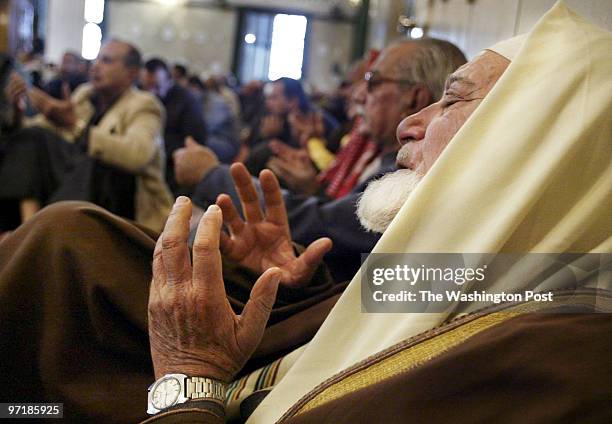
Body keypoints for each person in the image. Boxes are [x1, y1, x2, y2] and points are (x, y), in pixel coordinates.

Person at [0, 4, 610, 422]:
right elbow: (364, 337)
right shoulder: (505, 273)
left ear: (539, 141)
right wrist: (297, 283)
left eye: (450, 99)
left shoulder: (565, 358)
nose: (406, 124)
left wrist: (188, 381)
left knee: (64, 252)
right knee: (68, 244)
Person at [174, 38, 466, 282]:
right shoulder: (380, 153)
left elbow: (328, 226)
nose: (359, 94)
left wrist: (211, 174)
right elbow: (342, 221)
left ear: (414, 98)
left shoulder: (415, 173)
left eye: (372, 81)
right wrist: (311, 188)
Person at [0, 39, 172, 231]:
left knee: (91, 162)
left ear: (131, 73)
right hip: (81, 189)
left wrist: (76, 125)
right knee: (30, 138)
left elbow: (137, 155)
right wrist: (18, 107)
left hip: (124, 205)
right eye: (97, 59)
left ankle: (39, 233)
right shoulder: (86, 95)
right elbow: (37, 128)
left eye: (106, 61)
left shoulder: (145, 105)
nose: (96, 66)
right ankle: (27, 227)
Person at [141, 58, 207, 195]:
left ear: (168, 80)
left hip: (174, 164)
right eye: (148, 87)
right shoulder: (145, 97)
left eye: (156, 86)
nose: (151, 92)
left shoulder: (187, 101)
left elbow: (195, 138)